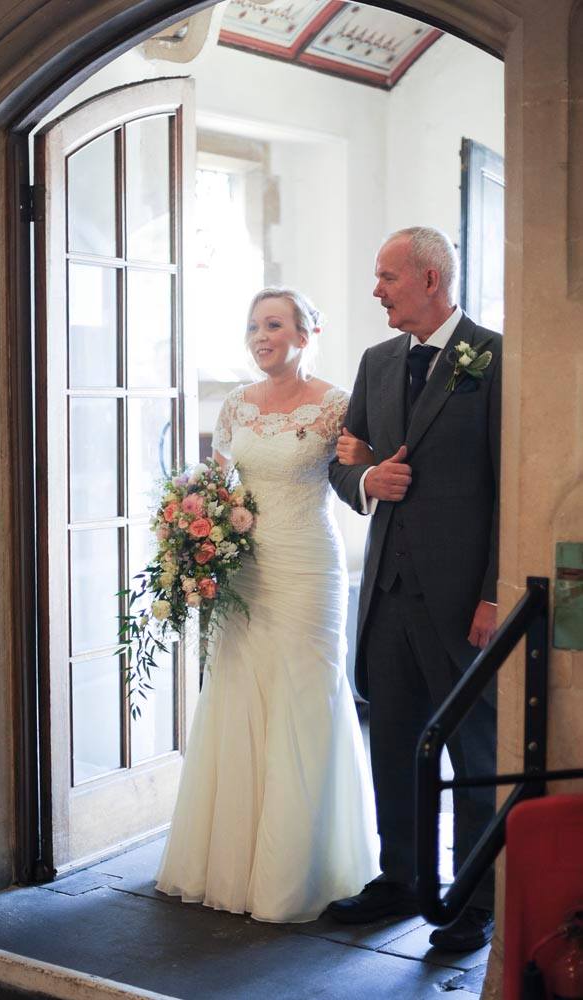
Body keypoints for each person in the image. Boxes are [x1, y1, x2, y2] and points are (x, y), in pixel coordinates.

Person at [156, 287, 378, 922]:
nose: (261, 335)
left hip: (308, 565)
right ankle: (233, 860)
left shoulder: (336, 404)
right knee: (240, 693)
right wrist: (195, 533)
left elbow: (351, 475)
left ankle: (301, 866)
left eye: (274, 324)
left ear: (304, 335)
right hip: (246, 569)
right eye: (253, 325)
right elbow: (218, 482)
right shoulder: (236, 405)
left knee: (306, 693)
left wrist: (366, 467)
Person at [328, 227, 501, 953]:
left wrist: (494, 591)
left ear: (430, 279)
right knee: (392, 741)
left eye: (386, 277)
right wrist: (368, 481)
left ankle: (471, 900)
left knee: (474, 754)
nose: (376, 291)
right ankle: (400, 877)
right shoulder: (375, 363)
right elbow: (342, 463)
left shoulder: (494, 357)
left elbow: (508, 484)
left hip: (464, 602)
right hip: (387, 594)